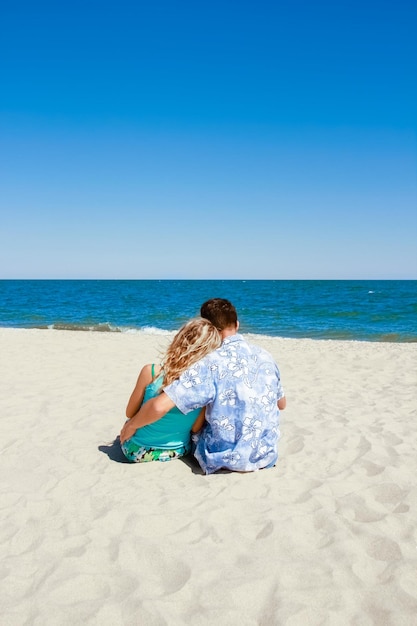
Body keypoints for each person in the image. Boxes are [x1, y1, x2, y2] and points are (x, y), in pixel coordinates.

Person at [120, 298, 286, 473]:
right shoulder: (265, 355)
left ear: (209, 329)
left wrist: (131, 426)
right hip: (265, 454)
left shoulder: (208, 363)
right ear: (237, 325)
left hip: (224, 456)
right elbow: (281, 404)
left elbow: (158, 406)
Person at [120, 317, 221, 462]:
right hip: (178, 450)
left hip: (137, 451)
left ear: (179, 340)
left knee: (129, 423)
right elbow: (195, 428)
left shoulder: (152, 372)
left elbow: (130, 412)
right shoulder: (204, 387)